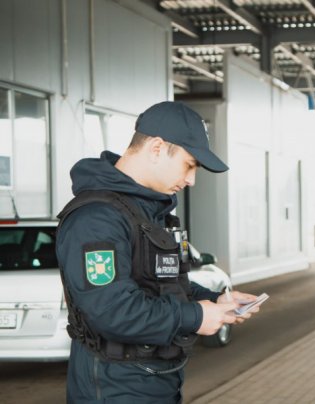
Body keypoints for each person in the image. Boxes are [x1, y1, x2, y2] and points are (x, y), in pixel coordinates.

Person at [56, 101, 258, 403]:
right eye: (189, 165)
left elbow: (165, 285)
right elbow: (113, 311)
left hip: (155, 380)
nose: (191, 180)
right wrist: (197, 316)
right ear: (157, 148)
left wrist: (216, 300)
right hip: (115, 388)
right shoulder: (97, 220)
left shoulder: (147, 213)